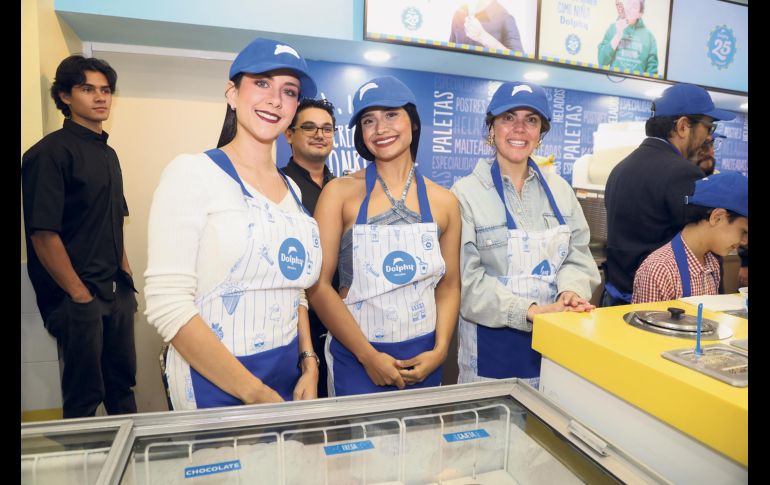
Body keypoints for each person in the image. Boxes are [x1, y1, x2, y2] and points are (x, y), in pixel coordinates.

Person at [144, 37, 322, 410]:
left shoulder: (292, 190)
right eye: (262, 83)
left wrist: (309, 363)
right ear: (232, 93)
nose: (275, 99)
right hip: (212, 382)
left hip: (288, 376)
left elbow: (296, 292)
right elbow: (167, 305)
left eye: (288, 91)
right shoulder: (192, 173)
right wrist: (253, 392)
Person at [307, 76, 461, 396]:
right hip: (357, 356)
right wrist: (368, 356)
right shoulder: (339, 193)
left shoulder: (445, 202)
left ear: (412, 122)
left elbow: (449, 285)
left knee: (421, 445)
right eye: (368, 120)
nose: (380, 129)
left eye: (391, 115)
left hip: (425, 356)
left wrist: (441, 349)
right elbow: (319, 286)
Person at [450, 81, 600, 387]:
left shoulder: (561, 191)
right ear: (492, 128)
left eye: (530, 120)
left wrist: (570, 292)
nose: (519, 129)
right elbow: (467, 283)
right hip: (490, 357)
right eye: (508, 118)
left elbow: (578, 256)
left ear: (540, 134)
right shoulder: (464, 194)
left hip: (553, 351)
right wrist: (531, 312)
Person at [21, 55, 138, 418]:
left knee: (122, 389)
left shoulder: (109, 154)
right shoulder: (48, 154)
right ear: (65, 96)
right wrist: (79, 295)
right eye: (88, 89)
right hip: (76, 301)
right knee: (84, 399)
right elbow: (43, 234)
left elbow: (115, 222)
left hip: (114, 294)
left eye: (105, 90)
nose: (100, 97)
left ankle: (134, 471)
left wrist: (127, 284)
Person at [603, 83, 735, 307]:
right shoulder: (684, 173)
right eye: (708, 128)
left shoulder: (620, 168)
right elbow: (704, 241)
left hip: (614, 299)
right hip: (657, 305)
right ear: (683, 126)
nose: (707, 138)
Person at [281, 97, 338, 398]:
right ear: (289, 134)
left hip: (343, 319)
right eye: (310, 127)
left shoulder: (342, 189)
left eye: (327, 129)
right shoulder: (278, 187)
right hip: (297, 326)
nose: (320, 134)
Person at [633, 172, 748, 303]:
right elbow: (646, 322)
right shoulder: (659, 271)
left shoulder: (712, 264)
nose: (745, 241)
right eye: (744, 231)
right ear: (717, 217)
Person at [597, 0, 658, 75]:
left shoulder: (649, 37)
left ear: (640, 14)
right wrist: (618, 34)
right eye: (628, 3)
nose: (629, 7)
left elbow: (652, 70)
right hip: (613, 81)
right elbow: (602, 61)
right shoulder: (613, 28)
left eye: (634, 6)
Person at [449, 0, 524, 53]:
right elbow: (450, 52)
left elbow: (518, 61)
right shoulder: (459, 14)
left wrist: (482, 36)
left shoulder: (506, 18)